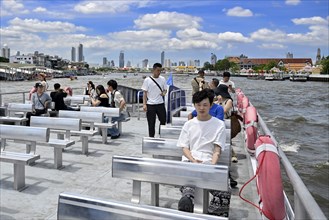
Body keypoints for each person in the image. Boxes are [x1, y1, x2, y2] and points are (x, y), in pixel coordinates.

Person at [176, 89, 230, 216]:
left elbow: (217, 149)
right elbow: (184, 148)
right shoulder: (189, 125)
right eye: (198, 105)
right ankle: (188, 201)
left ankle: (213, 214)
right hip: (190, 161)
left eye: (205, 105)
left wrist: (211, 165)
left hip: (209, 163)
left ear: (211, 105)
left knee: (224, 192)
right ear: (194, 105)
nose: (201, 108)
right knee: (190, 184)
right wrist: (194, 161)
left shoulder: (219, 125)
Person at [141, 63, 167, 138]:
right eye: (157, 70)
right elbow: (145, 93)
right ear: (153, 70)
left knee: (163, 121)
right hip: (150, 104)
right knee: (151, 123)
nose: (159, 72)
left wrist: (163, 93)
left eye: (160, 71)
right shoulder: (147, 80)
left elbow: (165, 89)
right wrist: (144, 104)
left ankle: (161, 134)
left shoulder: (162, 79)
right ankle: (151, 137)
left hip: (160, 103)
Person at [216, 84, 238, 163]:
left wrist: (220, 102)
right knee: (224, 138)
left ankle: (233, 155)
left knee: (226, 138)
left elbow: (224, 111)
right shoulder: (219, 100)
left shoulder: (229, 101)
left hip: (226, 121)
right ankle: (232, 154)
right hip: (219, 121)